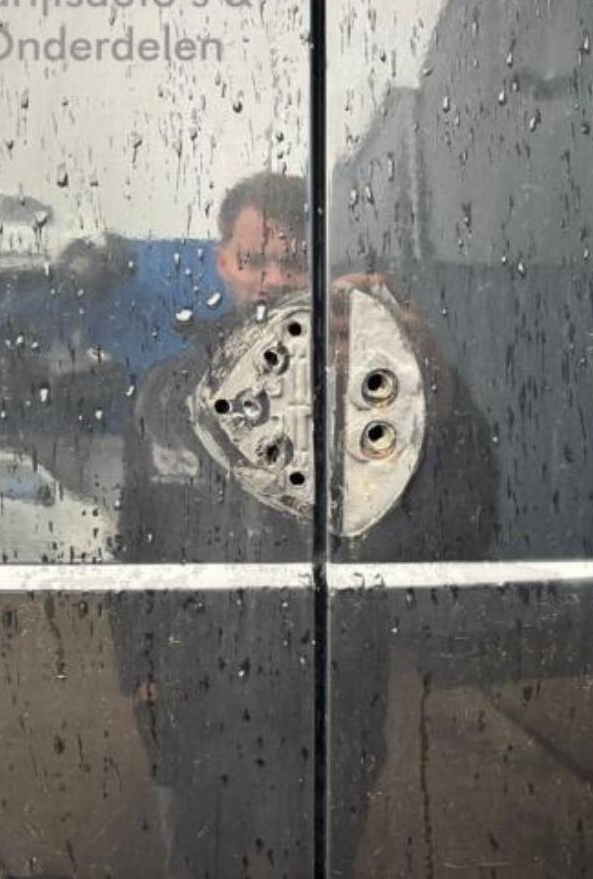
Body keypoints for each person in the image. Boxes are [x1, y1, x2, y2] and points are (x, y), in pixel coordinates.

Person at [112, 171, 498, 877]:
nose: (270, 280)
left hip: (325, 713)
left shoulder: (376, 394)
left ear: (318, 269)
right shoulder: (169, 394)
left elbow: (461, 528)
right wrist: (137, 671)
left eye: (291, 262)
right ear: (223, 262)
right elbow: (136, 541)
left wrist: (431, 386)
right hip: (194, 709)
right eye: (253, 259)